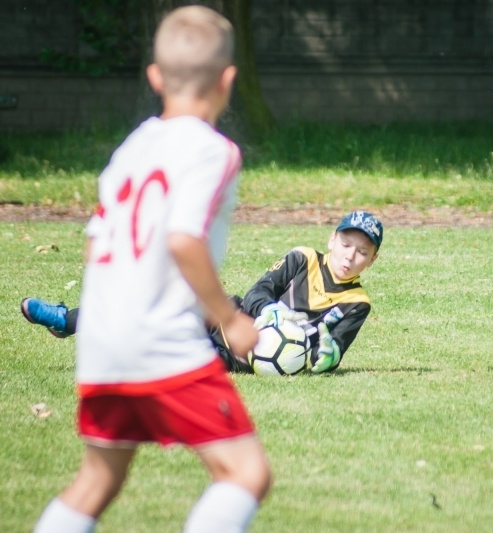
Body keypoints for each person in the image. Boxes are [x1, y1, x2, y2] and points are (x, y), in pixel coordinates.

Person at [31, 7, 271, 533]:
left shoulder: (133, 146)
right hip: (160, 340)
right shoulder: (213, 151)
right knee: (245, 474)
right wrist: (229, 318)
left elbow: (97, 246)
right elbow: (183, 238)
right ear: (229, 79)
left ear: (155, 77)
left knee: (97, 480)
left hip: (102, 340)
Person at [22, 210, 384, 375]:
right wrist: (270, 313)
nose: (350, 257)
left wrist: (303, 347)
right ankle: (67, 319)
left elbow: (331, 354)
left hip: (240, 358)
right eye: (346, 245)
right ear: (331, 240)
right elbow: (259, 291)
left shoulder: (357, 303)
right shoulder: (302, 257)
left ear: (372, 260)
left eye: (362, 252)